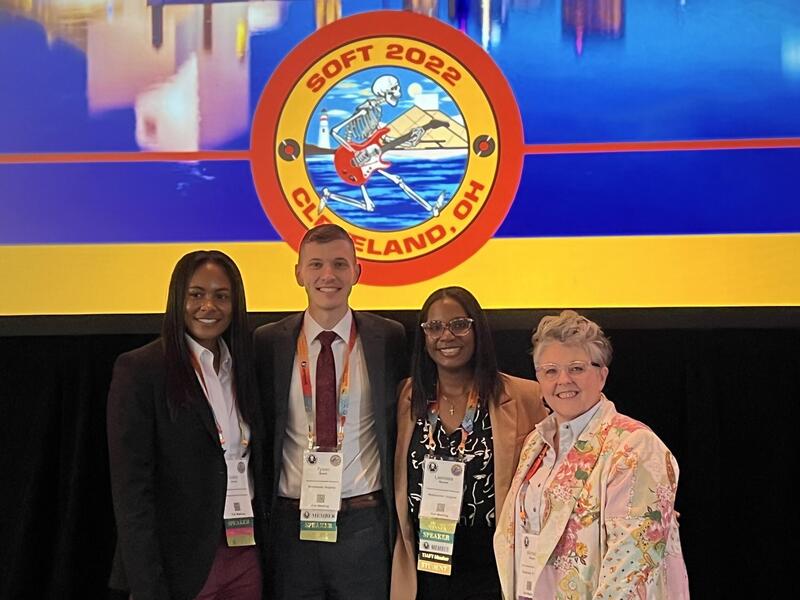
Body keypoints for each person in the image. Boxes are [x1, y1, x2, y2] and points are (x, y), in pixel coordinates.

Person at [253, 223, 407, 599]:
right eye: (316, 264)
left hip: (365, 524)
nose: (328, 275)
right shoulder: (267, 342)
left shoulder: (388, 337)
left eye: (340, 264)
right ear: (298, 273)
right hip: (292, 526)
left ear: (357, 272)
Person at [494, 310, 690, 599]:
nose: (563, 380)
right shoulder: (536, 442)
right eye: (550, 371)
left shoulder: (634, 446)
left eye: (576, 368)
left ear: (602, 375)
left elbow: (630, 571)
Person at [107, 250, 265, 600]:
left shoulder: (245, 366)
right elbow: (132, 493)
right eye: (196, 294)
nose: (209, 306)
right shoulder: (141, 370)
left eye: (221, 296)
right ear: (178, 298)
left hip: (245, 553)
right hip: (179, 564)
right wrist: (148, 585)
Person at [391, 286, 548, 600]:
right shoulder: (406, 397)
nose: (446, 336)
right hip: (425, 560)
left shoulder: (524, 396)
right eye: (434, 327)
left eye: (459, 325)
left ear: (478, 330)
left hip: (491, 560)